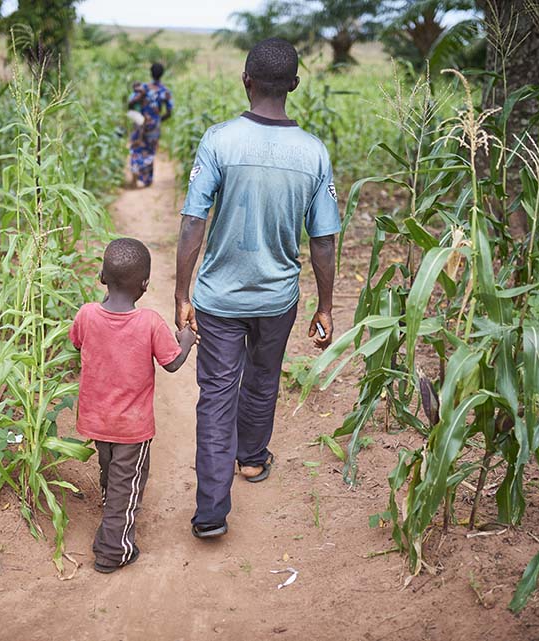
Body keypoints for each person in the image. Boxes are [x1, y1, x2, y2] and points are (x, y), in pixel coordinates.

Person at [173, 38, 340, 539]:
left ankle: (210, 510)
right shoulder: (313, 153)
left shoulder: (219, 141)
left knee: (217, 394)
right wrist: (326, 306)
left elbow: (191, 224)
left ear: (246, 80)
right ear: (293, 85)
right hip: (277, 299)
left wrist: (182, 294)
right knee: (264, 378)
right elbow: (324, 241)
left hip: (219, 299)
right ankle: (251, 459)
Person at [71, 237, 196, 572]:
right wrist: (187, 339)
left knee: (111, 474)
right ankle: (114, 551)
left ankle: (109, 521)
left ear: (101, 278)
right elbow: (171, 363)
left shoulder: (86, 315)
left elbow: (76, 341)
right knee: (128, 486)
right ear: (145, 285)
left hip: (98, 422)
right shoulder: (150, 323)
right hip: (132, 428)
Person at [127, 62, 173, 188]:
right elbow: (169, 112)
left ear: (150, 73)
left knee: (137, 148)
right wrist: (158, 120)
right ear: (162, 74)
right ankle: (147, 180)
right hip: (154, 126)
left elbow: (130, 104)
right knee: (150, 151)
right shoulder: (165, 92)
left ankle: (135, 176)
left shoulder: (143, 88)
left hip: (140, 123)